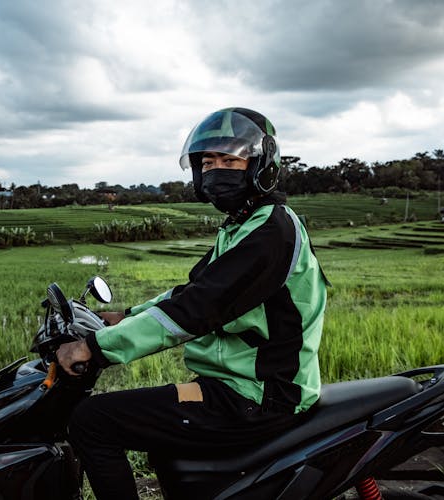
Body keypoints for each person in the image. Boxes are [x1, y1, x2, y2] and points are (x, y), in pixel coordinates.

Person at [57, 107, 329, 500]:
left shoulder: (271, 231)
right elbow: (192, 291)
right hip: (236, 387)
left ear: (259, 164)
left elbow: (197, 309)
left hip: (257, 397)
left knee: (92, 420)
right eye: (208, 161)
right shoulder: (244, 224)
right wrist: (124, 316)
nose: (217, 169)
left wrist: (95, 348)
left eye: (230, 160)